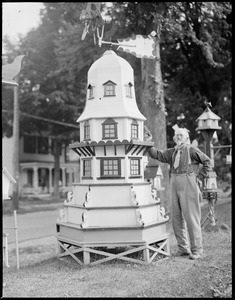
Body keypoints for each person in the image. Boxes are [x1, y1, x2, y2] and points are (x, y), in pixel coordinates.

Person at [147, 125, 212, 260]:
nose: (177, 137)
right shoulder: (172, 152)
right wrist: (148, 142)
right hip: (174, 183)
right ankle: (184, 249)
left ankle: (197, 250)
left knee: (191, 217)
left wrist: (199, 178)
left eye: (180, 135)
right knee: (176, 218)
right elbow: (157, 154)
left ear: (187, 137)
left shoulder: (192, 149)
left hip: (188, 183)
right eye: (176, 135)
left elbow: (207, 162)